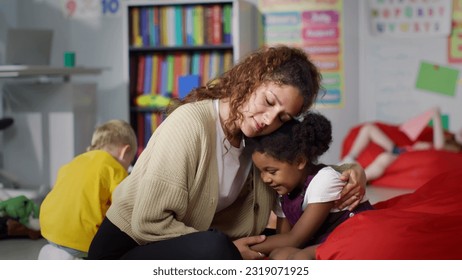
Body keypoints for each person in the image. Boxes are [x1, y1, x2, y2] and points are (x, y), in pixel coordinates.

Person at [88, 45, 367, 260]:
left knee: (286, 238)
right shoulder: (190, 124)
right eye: (268, 101)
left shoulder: (258, 138)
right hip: (128, 249)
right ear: (251, 80)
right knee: (217, 247)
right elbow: (148, 221)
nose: (269, 120)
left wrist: (352, 170)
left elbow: (298, 168)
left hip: (194, 242)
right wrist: (231, 253)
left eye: (283, 117)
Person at [246, 112, 374, 259]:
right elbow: (284, 238)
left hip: (353, 236)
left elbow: (295, 239)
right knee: (279, 254)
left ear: (300, 161)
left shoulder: (324, 180)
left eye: (271, 171)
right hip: (325, 240)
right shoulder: (283, 192)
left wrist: (243, 247)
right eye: (261, 172)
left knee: (300, 258)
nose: (265, 179)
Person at [38, 119, 137, 259]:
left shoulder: (75, 161)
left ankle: (54, 253)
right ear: (124, 152)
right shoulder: (115, 169)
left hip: (50, 231)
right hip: (81, 240)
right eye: (130, 161)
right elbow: (124, 205)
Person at [340, 107, 462, 181]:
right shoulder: (447, 136)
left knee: (384, 158)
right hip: (401, 149)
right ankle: (349, 158)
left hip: (405, 155)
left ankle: (358, 179)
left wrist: (436, 116)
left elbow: (439, 148)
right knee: (368, 128)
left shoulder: (455, 151)